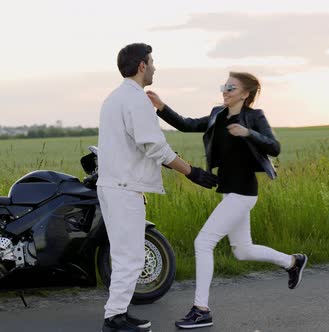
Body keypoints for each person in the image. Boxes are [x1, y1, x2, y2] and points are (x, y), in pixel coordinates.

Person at [147, 72, 308, 329]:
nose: (225, 90)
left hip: (243, 192)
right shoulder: (217, 115)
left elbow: (274, 147)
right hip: (228, 190)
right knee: (243, 250)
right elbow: (187, 124)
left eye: (231, 87)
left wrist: (247, 133)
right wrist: (162, 107)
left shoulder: (254, 117)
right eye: (224, 86)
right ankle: (292, 262)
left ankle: (201, 309)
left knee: (203, 242)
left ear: (245, 94)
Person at [97, 43, 219, 332]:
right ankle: (114, 320)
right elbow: (155, 147)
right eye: (151, 62)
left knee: (125, 254)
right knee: (131, 257)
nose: (154, 67)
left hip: (115, 185)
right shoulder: (136, 99)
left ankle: (117, 314)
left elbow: (141, 145)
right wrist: (192, 172)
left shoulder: (114, 98)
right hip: (124, 188)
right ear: (141, 66)